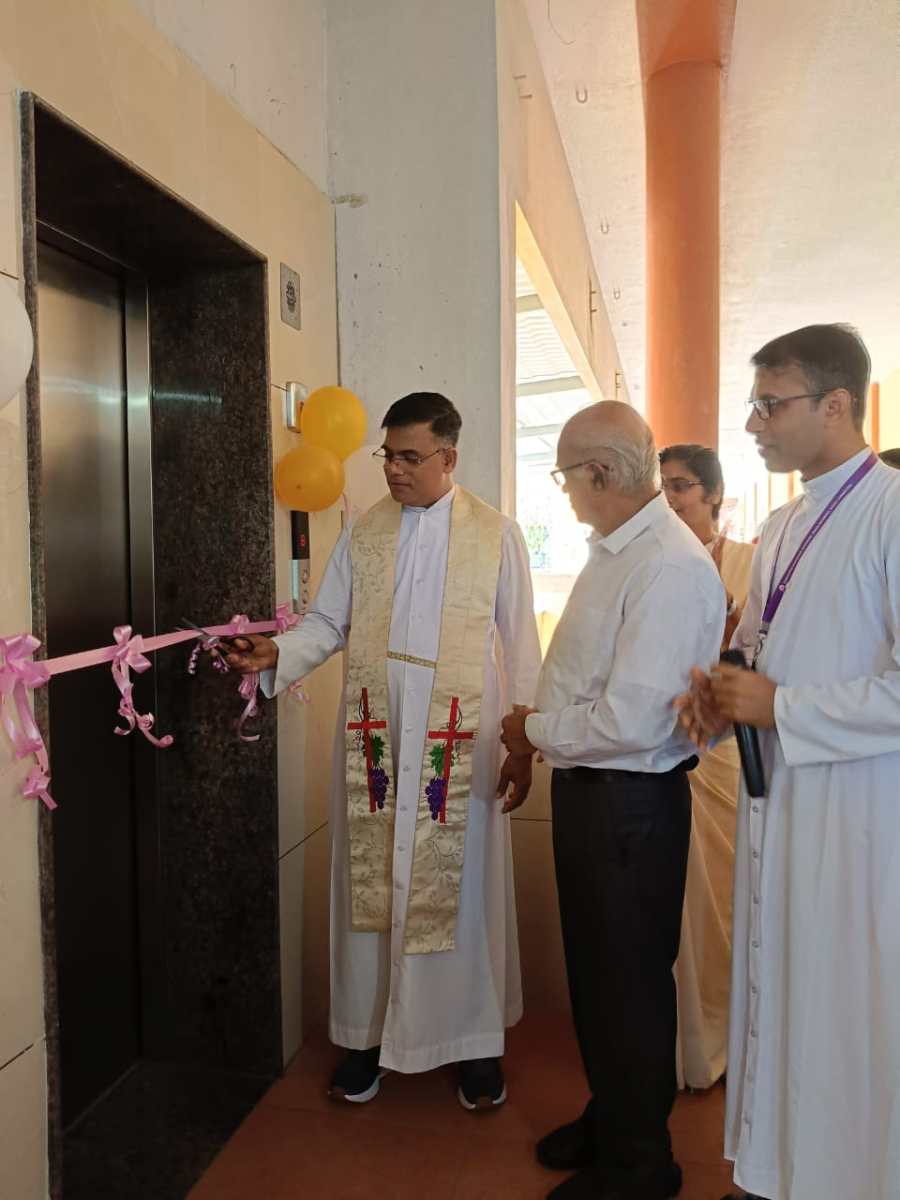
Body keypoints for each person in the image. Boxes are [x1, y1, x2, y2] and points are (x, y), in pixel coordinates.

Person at [227, 392, 542, 1110]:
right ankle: (365, 1039)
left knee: (460, 887)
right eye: (388, 456)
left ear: (448, 457)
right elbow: (327, 622)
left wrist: (522, 740)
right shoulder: (364, 533)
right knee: (370, 883)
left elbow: (520, 641)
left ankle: (472, 1043)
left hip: (459, 732)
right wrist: (277, 651)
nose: (395, 470)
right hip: (377, 727)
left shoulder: (496, 534)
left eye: (410, 457)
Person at [676, 324, 900, 1200]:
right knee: (776, 986)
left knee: (843, 1004)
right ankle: (774, 1173)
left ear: (836, 405)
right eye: (754, 405)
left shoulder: (892, 511)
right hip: (779, 798)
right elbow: (762, 651)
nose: (753, 424)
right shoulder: (780, 524)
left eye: (771, 405)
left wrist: (783, 708)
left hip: (857, 814)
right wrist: (722, 692)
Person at [500, 402, 725, 1200]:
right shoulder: (618, 549)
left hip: (628, 804)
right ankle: (615, 1118)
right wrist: (541, 733)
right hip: (596, 796)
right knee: (600, 978)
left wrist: (532, 730)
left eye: (565, 474)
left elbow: (633, 720)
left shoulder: (666, 566)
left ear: (598, 474)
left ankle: (641, 1164)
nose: (563, 489)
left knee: (628, 983)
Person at [660, 445, 754, 1091]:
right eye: (662, 486)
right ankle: (674, 1042)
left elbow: (760, 653)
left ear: (714, 495)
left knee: (723, 900)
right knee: (670, 904)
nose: (670, 499)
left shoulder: (750, 562)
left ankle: (725, 1037)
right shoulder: (652, 563)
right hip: (662, 747)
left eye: (682, 486)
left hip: (728, 756)